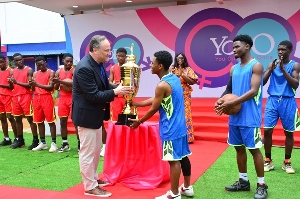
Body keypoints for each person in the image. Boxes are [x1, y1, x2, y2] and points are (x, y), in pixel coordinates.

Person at [72, 35, 132, 197]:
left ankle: (93, 179)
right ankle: (90, 187)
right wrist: (115, 92)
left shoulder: (98, 64)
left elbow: (103, 85)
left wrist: (117, 87)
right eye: (106, 51)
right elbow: (93, 95)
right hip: (87, 116)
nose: (109, 54)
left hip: (95, 116)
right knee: (87, 152)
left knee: (96, 149)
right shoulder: (85, 67)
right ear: (95, 49)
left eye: (109, 50)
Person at [129, 50, 194, 199]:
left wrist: (139, 121)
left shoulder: (162, 85)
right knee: (183, 156)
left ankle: (174, 194)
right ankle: (187, 187)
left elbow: (154, 107)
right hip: (181, 127)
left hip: (171, 128)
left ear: (160, 66)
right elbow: (157, 99)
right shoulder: (173, 78)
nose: (150, 65)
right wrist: (137, 104)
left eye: (152, 63)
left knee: (173, 161)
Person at [215, 34, 268, 199]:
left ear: (247, 46)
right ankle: (243, 181)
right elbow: (228, 89)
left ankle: (261, 184)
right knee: (238, 148)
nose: (234, 50)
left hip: (250, 117)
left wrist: (231, 103)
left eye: (237, 46)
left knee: (254, 150)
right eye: (233, 47)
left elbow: (253, 90)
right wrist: (221, 100)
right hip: (235, 117)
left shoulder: (256, 66)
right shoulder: (233, 68)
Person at [263, 40, 300, 174]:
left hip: (288, 101)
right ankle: (268, 160)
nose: (280, 52)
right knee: (267, 131)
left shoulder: (295, 65)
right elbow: (262, 82)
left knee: (289, 133)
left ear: (290, 51)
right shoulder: (272, 64)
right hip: (272, 100)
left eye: (283, 50)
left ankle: (287, 162)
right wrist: (270, 70)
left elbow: (295, 84)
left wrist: (284, 71)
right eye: (278, 49)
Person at [99, 47, 128, 157]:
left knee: (126, 122)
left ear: (126, 57)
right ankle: (112, 146)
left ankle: (126, 145)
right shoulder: (113, 68)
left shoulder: (129, 68)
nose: (120, 58)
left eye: (122, 56)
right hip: (115, 98)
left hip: (126, 98)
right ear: (116, 56)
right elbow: (109, 82)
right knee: (115, 122)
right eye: (119, 56)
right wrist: (115, 85)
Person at [8, 53, 38, 149]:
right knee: (17, 119)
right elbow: (12, 86)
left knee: (30, 119)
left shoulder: (28, 70)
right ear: (14, 61)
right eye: (16, 60)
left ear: (23, 59)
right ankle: (20, 140)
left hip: (26, 96)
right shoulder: (13, 71)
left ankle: (35, 140)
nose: (19, 61)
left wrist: (17, 82)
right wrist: (11, 83)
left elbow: (30, 85)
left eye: (20, 59)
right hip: (16, 96)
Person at [52, 53, 80, 152]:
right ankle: (65, 143)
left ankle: (80, 144)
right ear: (63, 60)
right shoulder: (58, 72)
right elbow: (55, 88)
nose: (69, 63)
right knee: (63, 122)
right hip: (62, 98)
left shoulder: (74, 71)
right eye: (67, 61)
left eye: (71, 61)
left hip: (73, 98)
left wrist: (61, 81)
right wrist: (56, 82)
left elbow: (75, 84)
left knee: (76, 122)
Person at [29, 56, 57, 152]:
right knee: (39, 121)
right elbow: (33, 89)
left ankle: (54, 143)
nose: (41, 66)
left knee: (50, 121)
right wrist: (32, 85)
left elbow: (50, 87)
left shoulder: (51, 72)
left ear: (45, 62)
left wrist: (36, 84)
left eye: (42, 64)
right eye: (38, 65)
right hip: (36, 98)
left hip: (47, 97)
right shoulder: (35, 74)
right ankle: (43, 143)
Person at [170, 53, 198, 143]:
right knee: (174, 115)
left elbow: (192, 82)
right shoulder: (172, 69)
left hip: (185, 94)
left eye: (181, 58)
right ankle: (176, 136)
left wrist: (183, 75)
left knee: (186, 115)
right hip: (173, 95)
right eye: (178, 58)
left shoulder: (188, 69)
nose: (179, 59)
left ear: (184, 59)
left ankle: (188, 138)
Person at [0, 55, 17, 146]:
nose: (1, 64)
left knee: (10, 117)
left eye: (2, 62)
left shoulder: (11, 71)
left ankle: (17, 138)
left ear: (6, 61)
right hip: (0, 97)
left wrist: (1, 85)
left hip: (8, 97)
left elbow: (12, 86)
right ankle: (7, 138)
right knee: (2, 118)